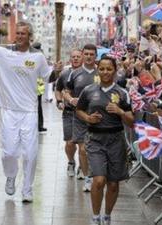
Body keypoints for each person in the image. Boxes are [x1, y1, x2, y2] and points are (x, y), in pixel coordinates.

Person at [0, 21, 60, 202]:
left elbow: (48, 77)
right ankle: (11, 175)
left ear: (30, 37)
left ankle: (27, 189)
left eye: (23, 34)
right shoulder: (2, 52)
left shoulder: (38, 57)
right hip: (9, 111)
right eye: (17, 33)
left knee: (30, 153)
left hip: (30, 111)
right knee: (9, 152)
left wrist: (56, 72)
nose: (19, 36)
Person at [76, 56, 134, 225]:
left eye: (109, 69)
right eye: (102, 69)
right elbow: (79, 110)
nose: (105, 72)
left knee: (113, 184)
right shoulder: (88, 91)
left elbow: (131, 121)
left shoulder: (122, 93)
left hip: (116, 140)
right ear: (97, 69)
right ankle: (95, 217)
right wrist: (88, 118)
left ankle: (107, 215)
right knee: (99, 180)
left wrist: (120, 112)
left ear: (115, 70)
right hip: (95, 139)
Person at [63, 44, 100, 192]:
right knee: (83, 150)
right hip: (79, 115)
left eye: (92, 54)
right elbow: (66, 91)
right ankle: (87, 178)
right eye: (87, 54)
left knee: (95, 149)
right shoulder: (74, 73)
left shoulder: (101, 71)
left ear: (95, 55)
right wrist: (71, 100)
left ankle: (96, 173)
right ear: (83, 55)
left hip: (98, 116)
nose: (89, 56)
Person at [55, 49, 83, 177]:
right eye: (73, 57)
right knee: (70, 142)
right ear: (70, 59)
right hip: (69, 112)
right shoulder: (65, 74)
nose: (76, 59)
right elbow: (58, 89)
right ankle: (71, 162)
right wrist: (59, 101)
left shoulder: (89, 74)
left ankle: (83, 166)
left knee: (84, 144)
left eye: (78, 56)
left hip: (84, 113)